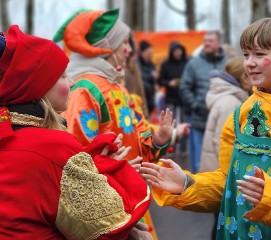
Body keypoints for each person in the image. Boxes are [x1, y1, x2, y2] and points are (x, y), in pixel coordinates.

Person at [140, 18, 271, 239]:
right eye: (246, 55)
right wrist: (187, 184)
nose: (249, 63)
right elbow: (230, 185)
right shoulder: (241, 113)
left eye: (260, 54)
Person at [0, 25, 152, 240]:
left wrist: (92, 167)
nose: (72, 82)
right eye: (63, 77)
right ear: (37, 85)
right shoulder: (52, 145)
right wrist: (114, 175)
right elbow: (106, 227)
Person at [53, 9, 174, 239]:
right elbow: (76, 161)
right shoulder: (85, 90)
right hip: (109, 207)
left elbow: (138, 141)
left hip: (129, 198)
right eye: (124, 43)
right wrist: (119, 168)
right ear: (105, 47)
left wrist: (158, 140)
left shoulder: (117, 87)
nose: (129, 49)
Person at [180, 30, 228, 173]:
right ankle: (197, 190)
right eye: (205, 40)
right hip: (200, 119)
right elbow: (184, 87)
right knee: (199, 160)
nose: (206, 43)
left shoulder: (227, 64)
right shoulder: (193, 64)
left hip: (222, 120)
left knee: (221, 158)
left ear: (219, 43)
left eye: (210, 41)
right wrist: (195, 105)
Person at [199, 56, 252, 173]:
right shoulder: (230, 103)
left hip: (214, 167)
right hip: (220, 171)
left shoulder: (228, 98)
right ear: (244, 78)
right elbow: (222, 143)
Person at [137, 40, 158, 115]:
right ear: (142, 53)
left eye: (151, 53)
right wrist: (151, 76)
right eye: (149, 53)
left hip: (150, 97)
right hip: (142, 97)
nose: (150, 55)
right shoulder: (137, 65)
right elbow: (140, 79)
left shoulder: (151, 64)